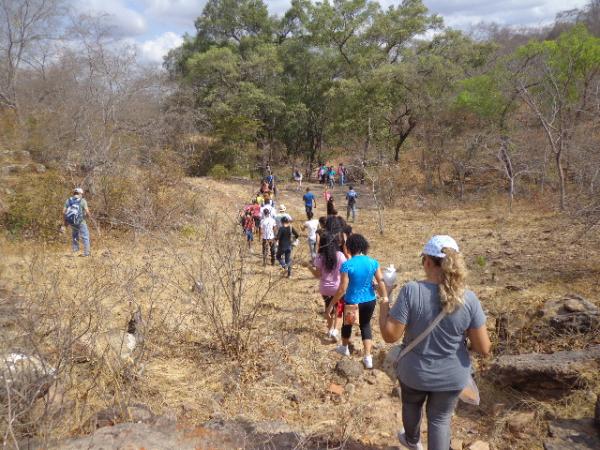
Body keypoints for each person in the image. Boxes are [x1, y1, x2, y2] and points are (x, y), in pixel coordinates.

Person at [379, 235, 491, 450]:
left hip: (415, 372)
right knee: (440, 419)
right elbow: (484, 348)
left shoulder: (412, 290)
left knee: (411, 404)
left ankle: (411, 440)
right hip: (452, 375)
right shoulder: (469, 298)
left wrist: (384, 299)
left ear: (428, 262)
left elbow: (390, 336)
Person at [327, 234, 386, 369]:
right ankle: (368, 357)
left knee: (347, 326)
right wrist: (385, 296)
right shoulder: (373, 262)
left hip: (352, 301)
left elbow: (342, 289)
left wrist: (332, 304)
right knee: (365, 326)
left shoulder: (347, 265)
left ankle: (344, 348)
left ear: (349, 248)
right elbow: (381, 281)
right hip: (370, 300)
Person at [309, 232, 347, 341]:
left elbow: (317, 275)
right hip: (337, 288)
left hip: (325, 288)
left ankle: (330, 330)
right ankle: (335, 330)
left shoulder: (320, 257)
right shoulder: (340, 256)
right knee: (339, 309)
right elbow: (344, 272)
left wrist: (308, 267)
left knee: (328, 308)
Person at [63, 187, 92, 257]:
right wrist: (90, 217)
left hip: (72, 222)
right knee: (85, 236)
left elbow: (63, 212)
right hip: (81, 222)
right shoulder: (82, 200)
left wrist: (65, 221)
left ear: (74, 193)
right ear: (80, 193)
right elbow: (87, 211)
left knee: (75, 236)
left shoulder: (68, 200)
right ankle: (86, 253)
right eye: (82, 194)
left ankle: (75, 250)